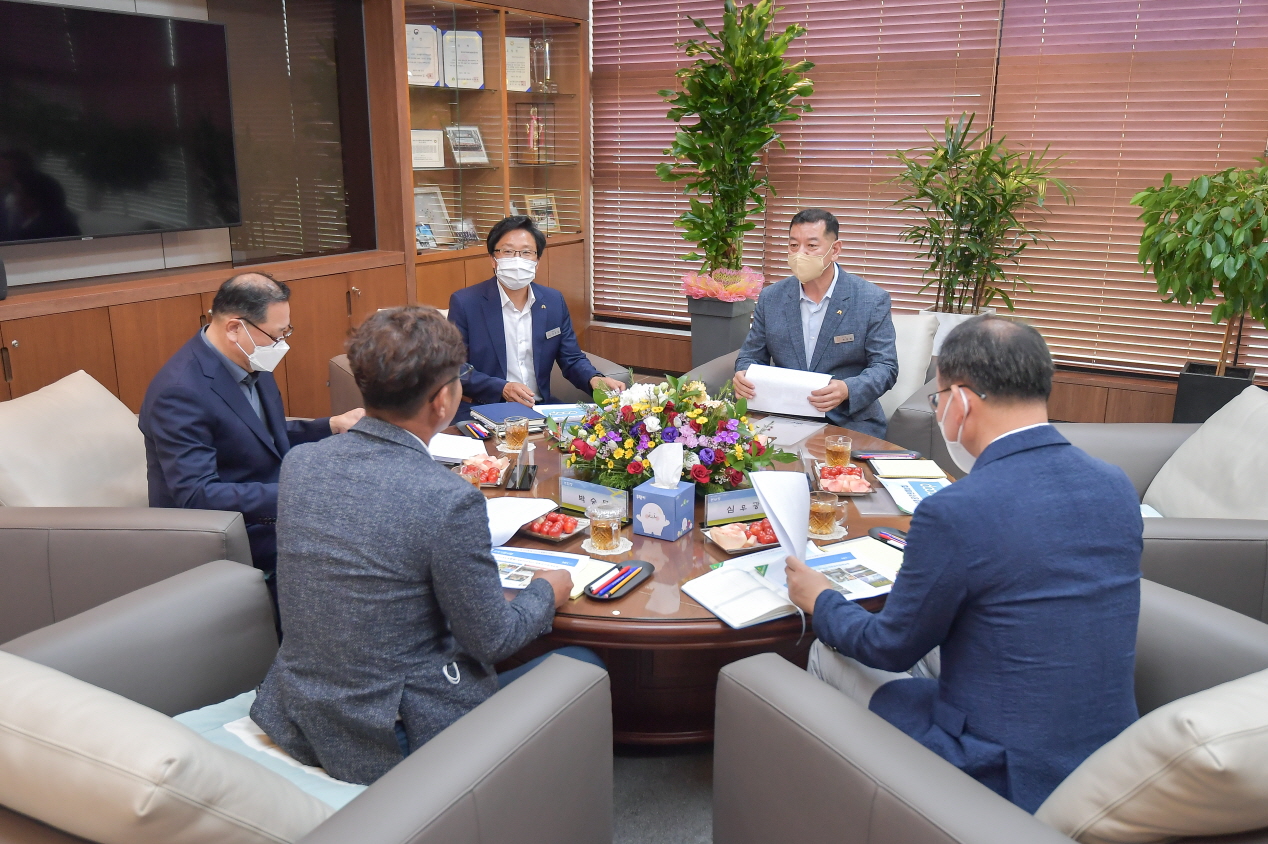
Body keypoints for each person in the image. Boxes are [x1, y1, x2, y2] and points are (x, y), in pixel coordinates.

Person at [783, 316, 1142, 813]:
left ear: (963, 402)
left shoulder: (956, 510)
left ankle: (847, 810)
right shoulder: (1115, 484)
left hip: (1003, 769)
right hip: (1114, 757)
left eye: (939, 400)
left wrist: (820, 598)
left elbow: (887, 647)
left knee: (828, 651)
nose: (939, 413)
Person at [250, 306, 602, 784]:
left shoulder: (303, 463)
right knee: (583, 662)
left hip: (300, 711)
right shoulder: (448, 499)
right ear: (442, 401)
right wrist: (547, 589)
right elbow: (494, 640)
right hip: (386, 734)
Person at [139, 273, 365, 582]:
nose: (282, 344)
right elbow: (198, 496)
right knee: (355, 538)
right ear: (235, 328)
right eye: (276, 335)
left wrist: (332, 425)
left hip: (266, 505)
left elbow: (261, 438)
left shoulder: (250, 357)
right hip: (228, 531)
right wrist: (298, 494)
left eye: (286, 332)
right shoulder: (179, 393)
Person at [733, 209, 897, 438]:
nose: (800, 253)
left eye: (811, 246)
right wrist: (743, 374)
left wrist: (847, 389)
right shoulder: (771, 298)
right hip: (782, 416)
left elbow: (885, 367)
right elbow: (750, 357)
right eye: (793, 245)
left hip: (848, 421)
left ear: (835, 250)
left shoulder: (871, 300)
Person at [448, 215, 624, 407]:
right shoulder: (466, 303)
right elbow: (454, 368)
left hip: (541, 408)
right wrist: (501, 388)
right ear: (493, 259)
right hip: (489, 408)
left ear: (537, 262)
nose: (517, 259)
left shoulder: (553, 301)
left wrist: (594, 379)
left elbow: (571, 358)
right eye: (508, 251)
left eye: (526, 252)